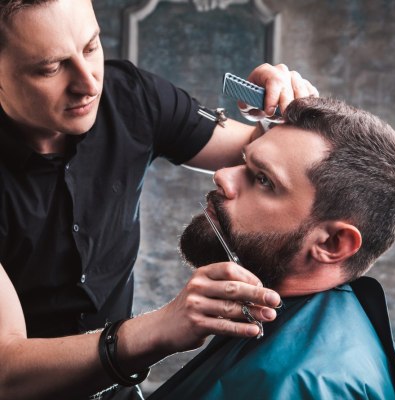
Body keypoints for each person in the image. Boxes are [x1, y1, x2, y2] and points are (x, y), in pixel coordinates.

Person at [0, 0, 319, 399]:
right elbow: (6, 371)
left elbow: (261, 153)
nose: (89, 83)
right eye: (50, 67)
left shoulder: (130, 96)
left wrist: (277, 113)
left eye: (91, 47)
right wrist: (161, 327)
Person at [148, 96, 395, 399]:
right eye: (244, 159)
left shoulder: (313, 384)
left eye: (263, 180)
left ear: (332, 244)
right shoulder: (283, 324)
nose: (222, 175)